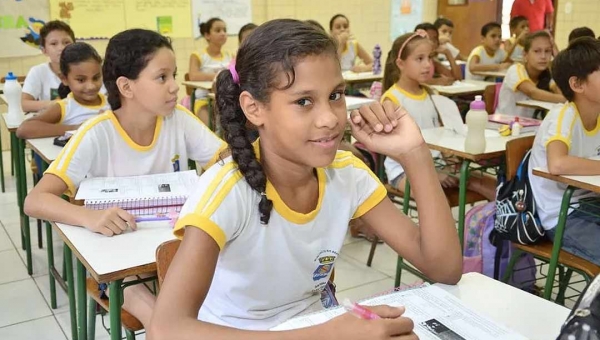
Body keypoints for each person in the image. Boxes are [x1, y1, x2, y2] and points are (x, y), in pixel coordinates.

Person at [149, 19, 461, 339]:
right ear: (254, 108)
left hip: (313, 324)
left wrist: (415, 154)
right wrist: (327, 335)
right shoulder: (228, 190)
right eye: (303, 101)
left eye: (336, 95)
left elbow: (444, 269)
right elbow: (165, 329)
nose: (329, 118)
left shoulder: (346, 173)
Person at [24, 29, 225, 328]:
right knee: (161, 315)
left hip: (175, 250)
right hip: (123, 264)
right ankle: (168, 328)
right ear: (126, 87)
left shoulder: (179, 121)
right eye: (162, 77)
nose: (174, 87)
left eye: (174, 75)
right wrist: (87, 216)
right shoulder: (96, 133)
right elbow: (35, 200)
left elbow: (226, 161)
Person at [381, 31, 496, 202]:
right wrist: (433, 173)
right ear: (401, 63)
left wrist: (450, 159)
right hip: (404, 170)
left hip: (437, 165)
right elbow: (393, 148)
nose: (427, 65)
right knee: (435, 198)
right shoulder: (392, 99)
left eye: (430, 58)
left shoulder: (431, 93)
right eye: (420, 59)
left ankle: (493, 226)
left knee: (492, 186)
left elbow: (444, 135)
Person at [528, 37, 600, 266]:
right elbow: (557, 164)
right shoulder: (563, 116)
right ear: (577, 85)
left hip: (589, 204)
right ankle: (589, 303)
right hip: (561, 215)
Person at [17, 42, 109, 139]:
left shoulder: (112, 102)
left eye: (96, 78)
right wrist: (76, 128)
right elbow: (23, 129)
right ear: (64, 79)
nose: (91, 86)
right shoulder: (65, 107)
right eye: (81, 80)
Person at [496, 31, 565, 118]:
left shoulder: (547, 74)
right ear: (525, 55)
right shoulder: (516, 70)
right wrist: (566, 99)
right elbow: (533, 92)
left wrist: (556, 61)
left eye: (547, 51)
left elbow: (560, 92)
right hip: (504, 124)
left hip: (530, 126)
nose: (543, 56)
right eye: (537, 51)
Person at [21, 20, 75, 112]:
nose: (61, 48)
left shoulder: (85, 68)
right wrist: (57, 104)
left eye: (66, 42)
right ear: (44, 50)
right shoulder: (38, 72)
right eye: (54, 44)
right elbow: (25, 104)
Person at [188, 17, 232, 125]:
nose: (223, 33)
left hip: (225, 100)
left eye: (224, 30)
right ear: (207, 35)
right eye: (218, 30)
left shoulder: (230, 56)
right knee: (210, 129)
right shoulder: (197, 55)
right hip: (204, 99)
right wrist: (218, 76)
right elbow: (193, 76)